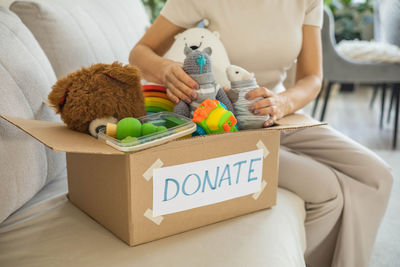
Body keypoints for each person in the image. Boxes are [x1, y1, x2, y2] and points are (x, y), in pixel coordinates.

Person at [129, 1, 393, 266]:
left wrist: (282, 103)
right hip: (223, 124)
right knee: (327, 191)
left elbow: (312, 77)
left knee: (378, 177)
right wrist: (165, 70)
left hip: (278, 113)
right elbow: (140, 53)